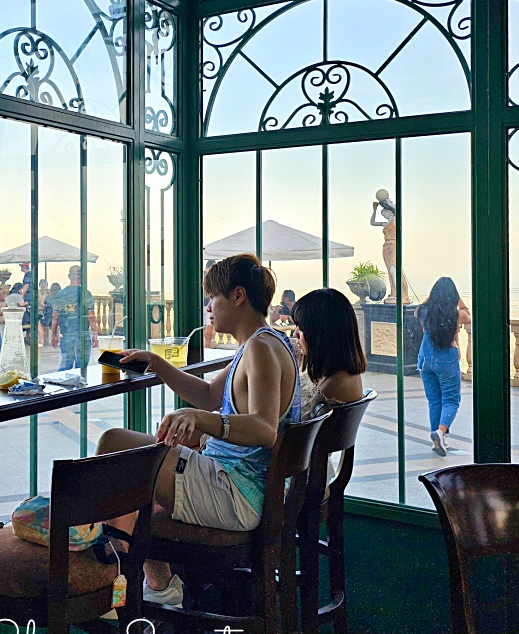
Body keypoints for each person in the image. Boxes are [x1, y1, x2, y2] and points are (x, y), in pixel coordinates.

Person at [94, 253, 300, 607]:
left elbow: (264, 430)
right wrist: (157, 364)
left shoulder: (261, 350)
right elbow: (207, 395)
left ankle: (121, 589)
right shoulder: (261, 343)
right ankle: (155, 585)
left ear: (237, 296)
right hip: (239, 485)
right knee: (119, 452)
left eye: (213, 298)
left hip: (238, 493)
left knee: (115, 457)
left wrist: (201, 421)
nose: (209, 307)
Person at [291, 288, 366, 420]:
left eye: (301, 328)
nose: (295, 334)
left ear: (321, 334)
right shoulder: (341, 374)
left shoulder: (330, 389)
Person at [416, 277, 471, 456]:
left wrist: (431, 299)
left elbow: (417, 309)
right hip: (446, 358)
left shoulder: (423, 311)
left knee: (434, 401)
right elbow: (468, 315)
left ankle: (437, 439)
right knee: (451, 400)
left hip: (425, 360)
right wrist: (457, 299)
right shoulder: (455, 314)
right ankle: (440, 432)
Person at [51, 265, 99, 371]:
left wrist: (53, 334)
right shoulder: (85, 293)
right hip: (83, 333)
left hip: (66, 333)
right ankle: (80, 385)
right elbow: (91, 316)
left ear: (69, 276)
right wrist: (95, 334)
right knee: (81, 366)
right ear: (81, 277)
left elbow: (55, 317)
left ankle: (61, 384)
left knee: (66, 362)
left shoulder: (61, 294)